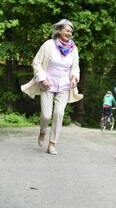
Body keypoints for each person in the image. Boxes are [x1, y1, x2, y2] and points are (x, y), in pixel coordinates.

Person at [21, 19, 83, 155]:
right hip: (47, 85)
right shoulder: (49, 45)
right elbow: (36, 63)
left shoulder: (73, 48)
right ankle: (43, 131)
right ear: (59, 30)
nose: (69, 33)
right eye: (67, 30)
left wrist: (74, 78)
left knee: (59, 113)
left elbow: (75, 67)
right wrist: (42, 80)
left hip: (64, 87)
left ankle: (52, 144)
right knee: (46, 115)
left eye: (71, 32)